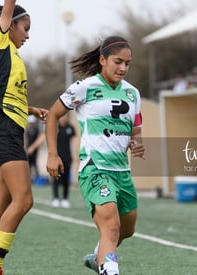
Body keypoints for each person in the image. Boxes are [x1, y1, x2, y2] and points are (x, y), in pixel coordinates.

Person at [45, 35, 145, 275]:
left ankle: (98, 256)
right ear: (102, 59)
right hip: (95, 169)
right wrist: (52, 154)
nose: (123, 68)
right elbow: (52, 115)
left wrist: (137, 144)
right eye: (117, 62)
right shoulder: (84, 87)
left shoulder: (133, 94)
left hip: (122, 172)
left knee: (126, 229)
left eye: (127, 63)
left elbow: (136, 131)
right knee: (111, 227)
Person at [0, 1, 48, 274]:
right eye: (25, 28)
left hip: (4, 127)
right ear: (9, 24)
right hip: (3, 129)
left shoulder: (10, 54)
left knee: (1, 201)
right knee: (24, 200)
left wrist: (32, 109)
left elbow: (5, 95)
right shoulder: (0, 40)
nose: (27, 34)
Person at [51, 114, 76, 208]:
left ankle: (65, 198)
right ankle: (55, 198)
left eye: (65, 116)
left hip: (67, 157)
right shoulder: (55, 127)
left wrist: (77, 153)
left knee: (66, 179)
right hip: (56, 157)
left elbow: (75, 140)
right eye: (62, 116)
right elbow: (44, 137)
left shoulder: (70, 128)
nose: (63, 118)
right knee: (56, 178)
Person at [25, 115, 45, 183]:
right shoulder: (28, 130)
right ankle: (29, 178)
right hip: (28, 150)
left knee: (34, 163)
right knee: (28, 164)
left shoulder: (36, 130)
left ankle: (37, 177)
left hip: (34, 150)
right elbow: (27, 140)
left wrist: (33, 148)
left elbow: (39, 139)